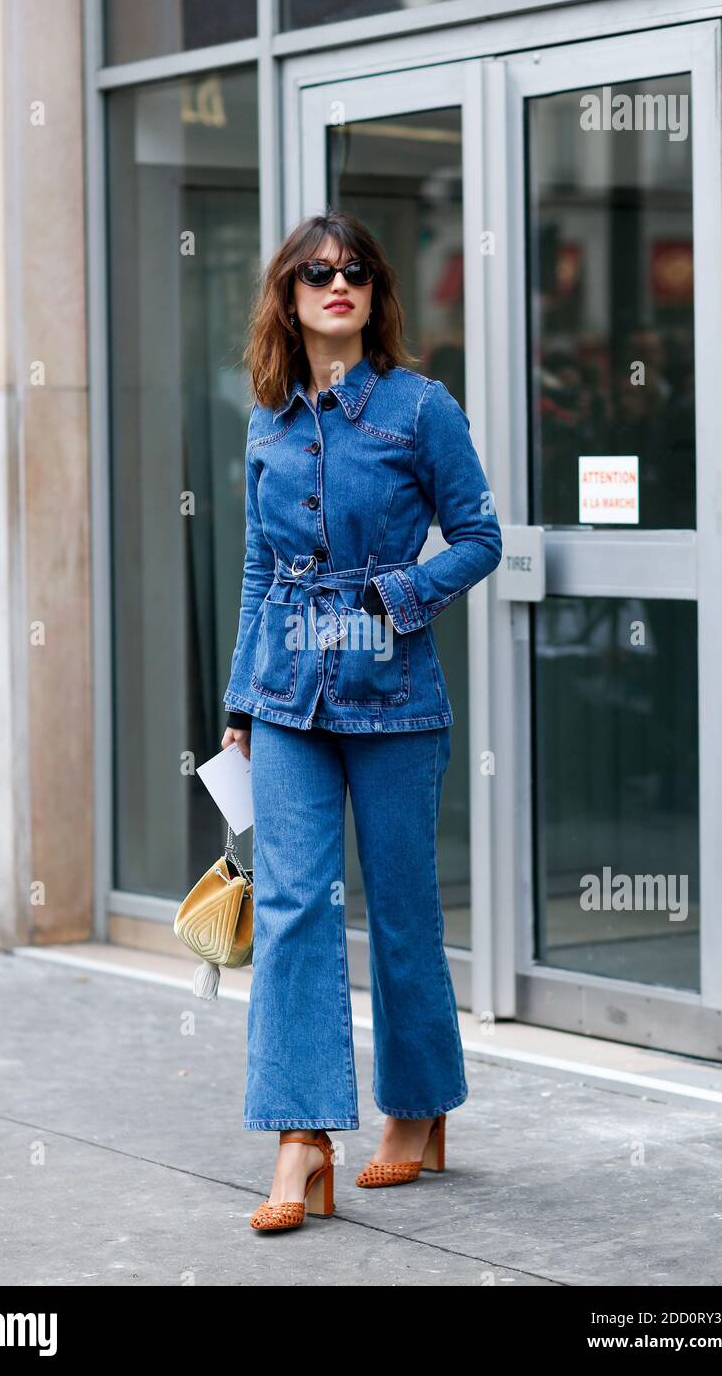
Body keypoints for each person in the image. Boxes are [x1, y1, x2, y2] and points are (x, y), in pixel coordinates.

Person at [220, 210, 502, 1232]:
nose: (337, 285)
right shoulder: (267, 419)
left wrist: (399, 595)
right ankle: (300, 1139)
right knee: (293, 905)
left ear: (374, 295)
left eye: (354, 273)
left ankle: (417, 1108)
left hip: (392, 695)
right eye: (315, 273)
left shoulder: (420, 409)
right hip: (288, 691)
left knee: (400, 906)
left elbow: (478, 536)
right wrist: (240, 702)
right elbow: (257, 566)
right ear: (288, 299)